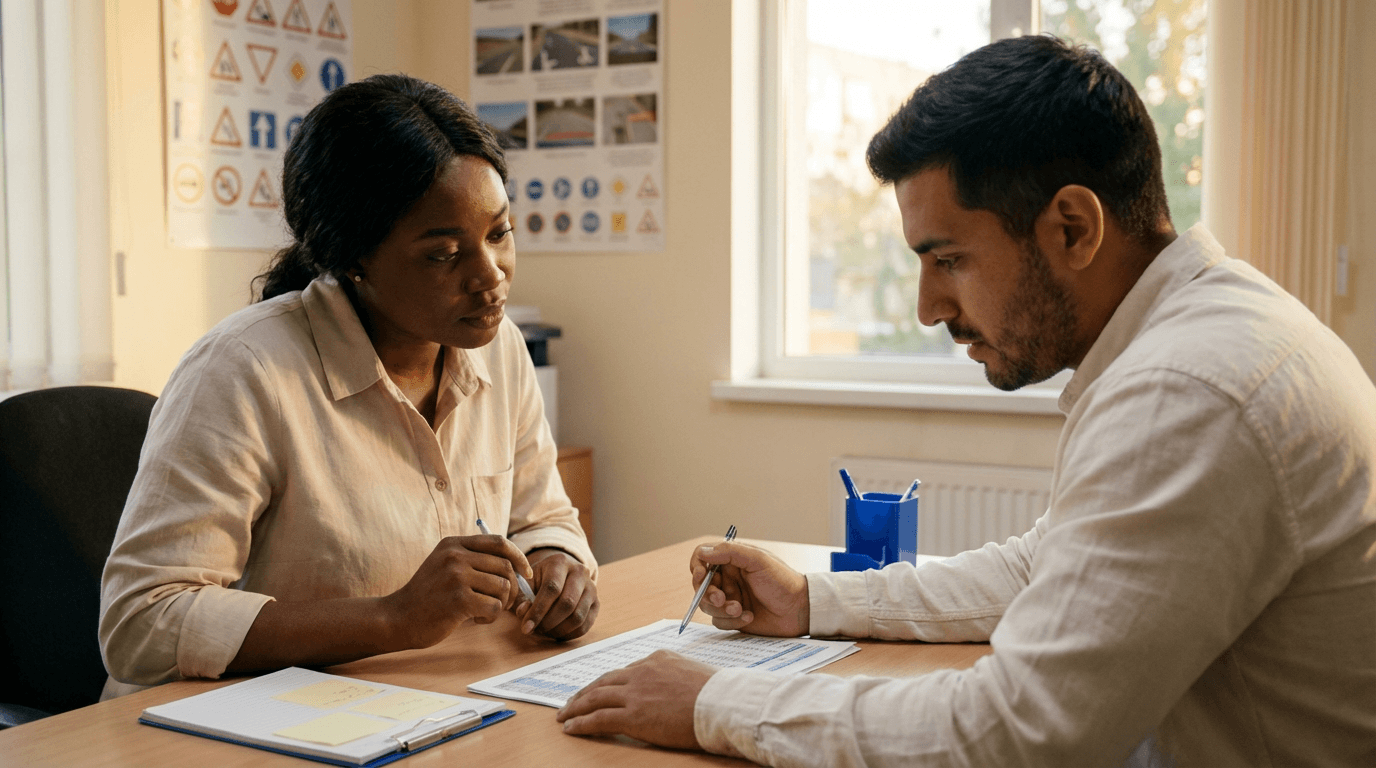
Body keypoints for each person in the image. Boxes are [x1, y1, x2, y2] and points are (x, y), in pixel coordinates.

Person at [556, 35, 1376, 765]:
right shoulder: (1200, 337)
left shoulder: (1190, 391)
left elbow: (1019, 733)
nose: (927, 308)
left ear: (1072, 228)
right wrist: (814, 600)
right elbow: (1041, 566)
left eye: (947, 259)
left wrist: (711, 703)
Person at [99, 74, 598, 698]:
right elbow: (140, 623)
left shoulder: (501, 350)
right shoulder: (242, 371)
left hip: (417, 705)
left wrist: (560, 566)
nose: (489, 275)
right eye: (444, 254)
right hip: (238, 725)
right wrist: (393, 617)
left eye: (498, 233)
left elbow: (542, 516)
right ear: (354, 261)